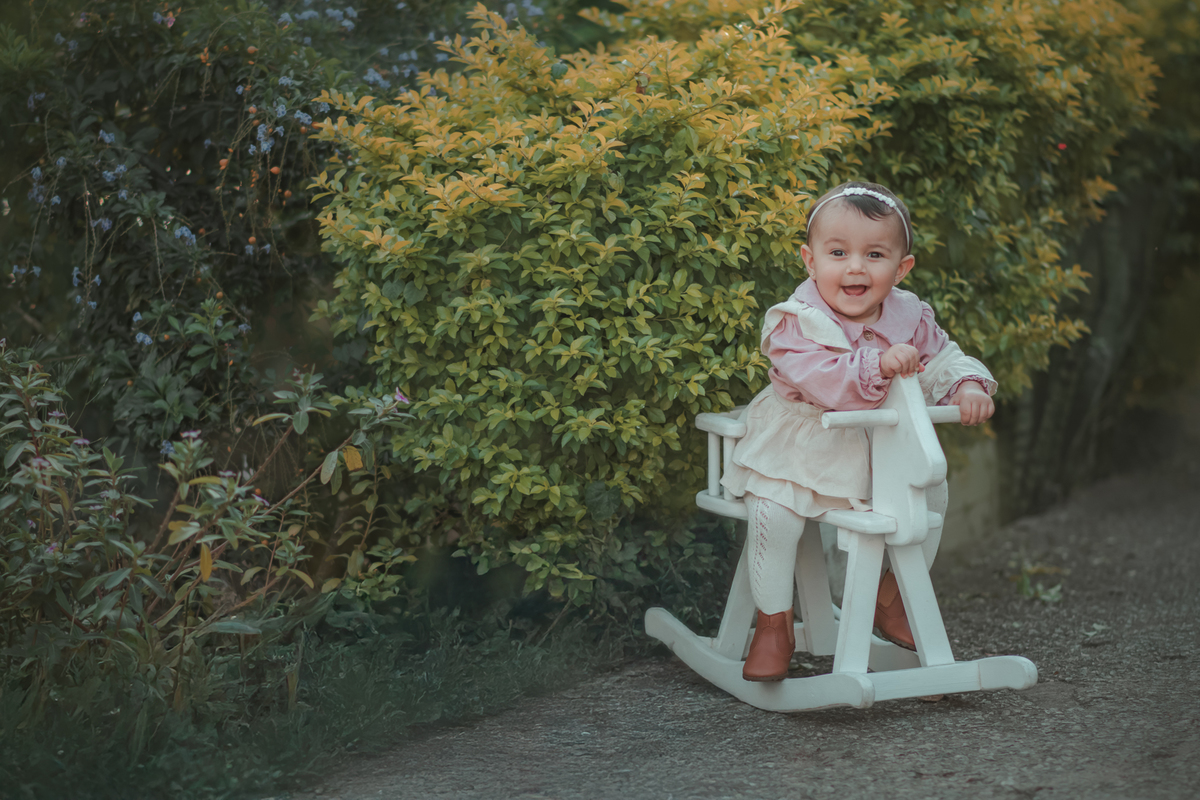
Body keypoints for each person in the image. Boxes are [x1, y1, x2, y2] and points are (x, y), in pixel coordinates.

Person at [720, 181, 997, 681]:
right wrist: (879, 366)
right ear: (810, 260)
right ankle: (773, 623)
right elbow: (823, 382)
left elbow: (941, 359)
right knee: (773, 515)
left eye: (874, 254)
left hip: (876, 448)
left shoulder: (910, 315)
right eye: (838, 252)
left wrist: (967, 384)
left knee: (930, 493)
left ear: (901, 267)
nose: (855, 267)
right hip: (801, 440)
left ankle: (888, 597)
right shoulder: (796, 321)